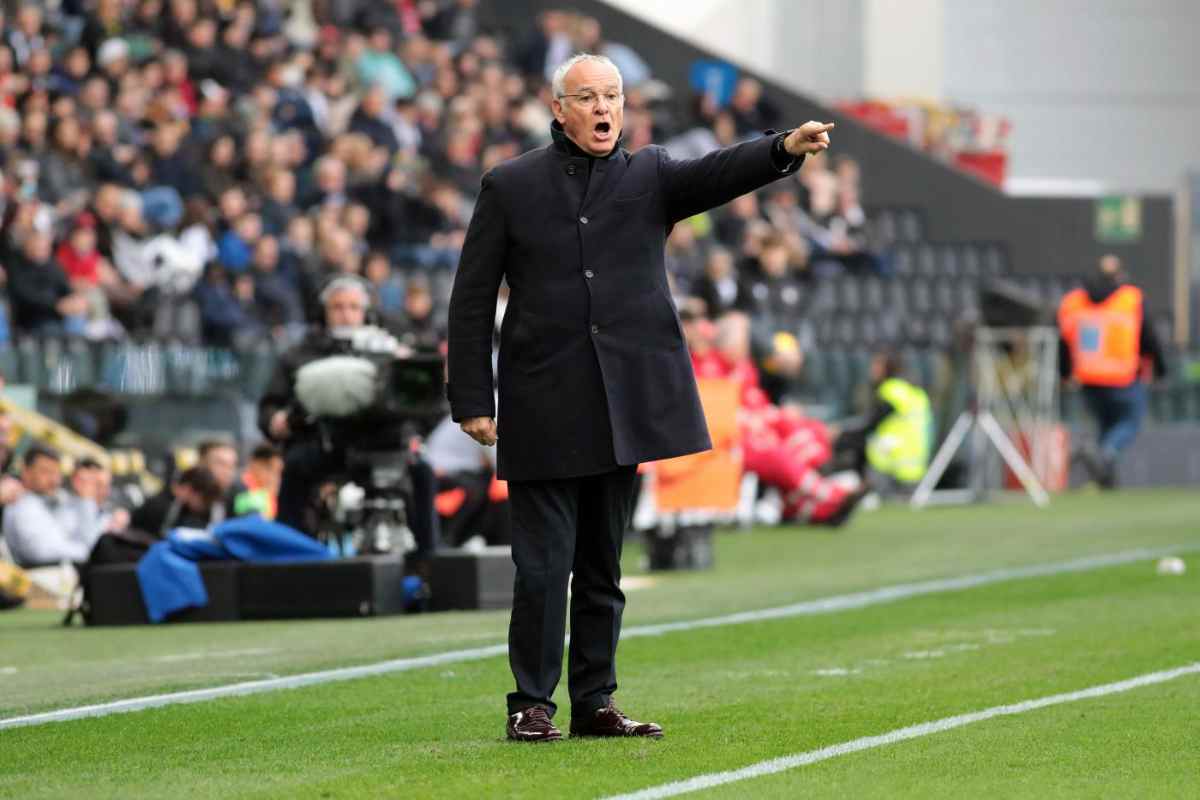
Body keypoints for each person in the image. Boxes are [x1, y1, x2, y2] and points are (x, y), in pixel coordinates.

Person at [446, 52, 834, 742]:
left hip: (621, 402)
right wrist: (472, 396)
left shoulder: (650, 175)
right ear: (558, 108)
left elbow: (717, 173)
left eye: (613, 96)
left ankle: (596, 701)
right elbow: (471, 300)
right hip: (541, 401)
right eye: (588, 97)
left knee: (603, 567)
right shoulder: (509, 185)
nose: (603, 109)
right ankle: (530, 703)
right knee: (541, 569)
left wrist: (781, 149)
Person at [257, 275, 439, 563]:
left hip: (387, 444)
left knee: (424, 472)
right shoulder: (301, 353)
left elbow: (425, 396)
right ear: (324, 312)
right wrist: (276, 420)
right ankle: (287, 558)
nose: (346, 314)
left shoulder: (392, 347)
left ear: (365, 312)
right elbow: (270, 407)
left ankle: (429, 564)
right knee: (294, 467)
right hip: (326, 444)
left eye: (354, 307)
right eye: (338, 307)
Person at [1057, 255, 1166, 488]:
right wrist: (1159, 367)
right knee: (1130, 422)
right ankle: (1106, 454)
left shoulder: (1074, 302)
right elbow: (1149, 337)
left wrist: (1064, 374)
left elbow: (1064, 342)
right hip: (1122, 377)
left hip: (1087, 379)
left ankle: (1105, 480)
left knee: (1105, 426)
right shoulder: (1130, 299)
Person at [2, 446, 123, 566]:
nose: (54, 480)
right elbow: (39, 553)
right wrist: (88, 552)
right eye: (46, 472)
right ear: (26, 470)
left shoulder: (53, 499)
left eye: (56, 473)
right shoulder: (21, 504)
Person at [834, 349, 933, 494]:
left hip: (893, 464)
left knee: (853, 442)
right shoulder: (916, 392)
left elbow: (871, 424)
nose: (872, 369)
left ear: (888, 367)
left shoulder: (891, 391)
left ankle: (857, 488)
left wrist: (840, 433)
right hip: (916, 465)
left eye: (876, 365)